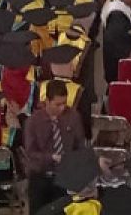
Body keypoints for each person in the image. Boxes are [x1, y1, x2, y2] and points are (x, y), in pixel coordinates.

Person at [24, 79, 87, 215]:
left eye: (64, 103)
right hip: (39, 177)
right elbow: (30, 152)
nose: (62, 108)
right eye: (57, 104)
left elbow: (80, 145)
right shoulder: (33, 121)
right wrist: (51, 157)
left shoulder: (73, 117)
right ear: (47, 101)